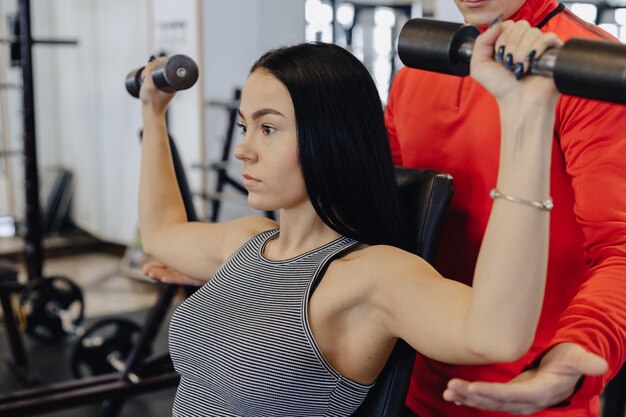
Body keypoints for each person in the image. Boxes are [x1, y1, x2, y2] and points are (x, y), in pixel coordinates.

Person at [139, 20, 558, 417]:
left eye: (267, 129)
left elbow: (496, 335)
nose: (242, 150)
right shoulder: (247, 243)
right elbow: (160, 233)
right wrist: (153, 114)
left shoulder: (369, 278)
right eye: (244, 126)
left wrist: (528, 116)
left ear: (329, 138)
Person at [385, 0, 626, 416]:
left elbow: (620, 249)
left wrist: (571, 356)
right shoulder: (414, 76)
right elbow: (380, 227)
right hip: (410, 393)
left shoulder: (586, 69)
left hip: (532, 394)